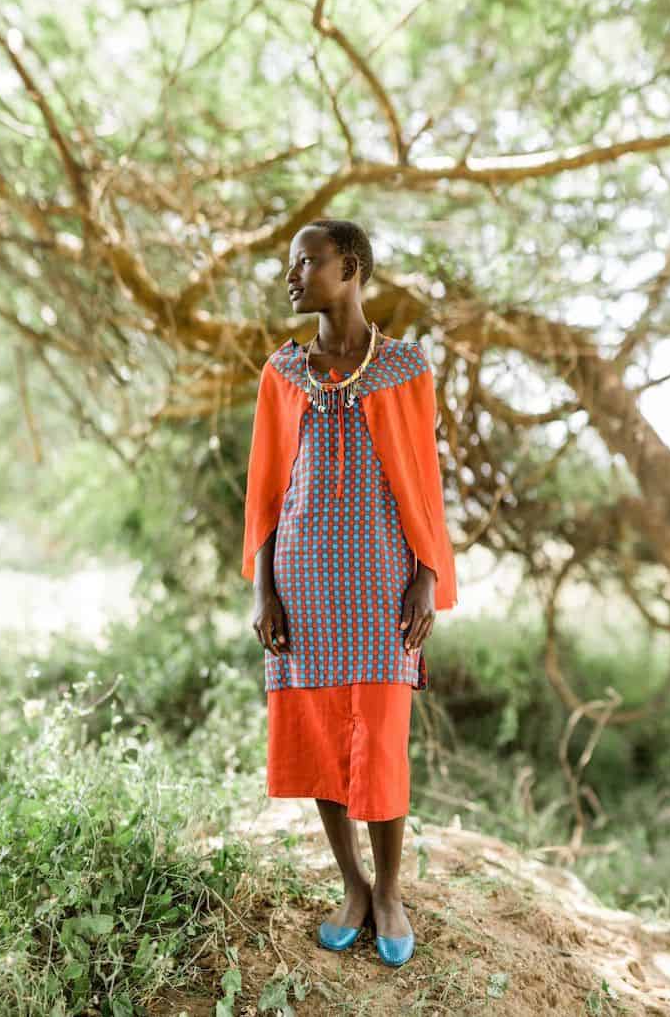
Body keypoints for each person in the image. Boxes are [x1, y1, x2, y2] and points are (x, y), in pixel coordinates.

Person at [241, 218, 458, 969]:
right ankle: (353, 885)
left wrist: (427, 576)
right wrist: (264, 587)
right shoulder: (283, 372)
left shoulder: (404, 368)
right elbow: (266, 489)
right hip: (301, 585)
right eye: (290, 265)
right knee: (322, 742)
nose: (292, 277)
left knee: (381, 743)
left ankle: (392, 890)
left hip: (382, 584)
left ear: (351, 266)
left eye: (306, 262)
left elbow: (424, 484)